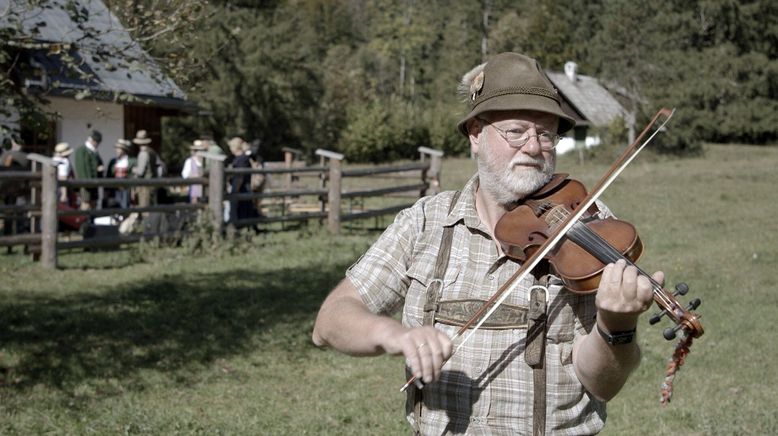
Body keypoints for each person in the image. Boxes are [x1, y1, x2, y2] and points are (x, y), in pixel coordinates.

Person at [312, 52, 660, 435]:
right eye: (516, 131)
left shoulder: (588, 226)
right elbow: (330, 321)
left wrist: (617, 323)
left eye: (546, 133)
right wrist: (395, 335)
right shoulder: (425, 222)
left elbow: (602, 383)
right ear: (476, 135)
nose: (533, 147)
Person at [227, 136, 259, 221]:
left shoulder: (242, 159)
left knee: (242, 210)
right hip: (242, 187)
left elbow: (240, 176)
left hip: (242, 188)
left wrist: (235, 189)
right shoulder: (242, 158)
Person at [72, 129, 103, 209]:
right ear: (93, 141)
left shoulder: (94, 152)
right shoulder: (82, 151)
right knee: (86, 205)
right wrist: (86, 183)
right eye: (97, 142)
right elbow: (82, 169)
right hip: (86, 185)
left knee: (93, 205)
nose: (97, 144)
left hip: (94, 184)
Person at [131, 130, 158, 206]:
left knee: (144, 207)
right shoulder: (152, 152)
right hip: (152, 183)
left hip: (145, 186)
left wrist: (133, 169)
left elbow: (140, 171)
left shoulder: (143, 153)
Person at [106, 139, 134, 208]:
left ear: (124, 150)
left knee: (125, 208)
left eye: (119, 149)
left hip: (126, 190)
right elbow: (108, 177)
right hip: (114, 191)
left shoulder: (131, 161)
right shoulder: (112, 162)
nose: (117, 150)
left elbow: (133, 177)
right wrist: (106, 192)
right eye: (117, 148)